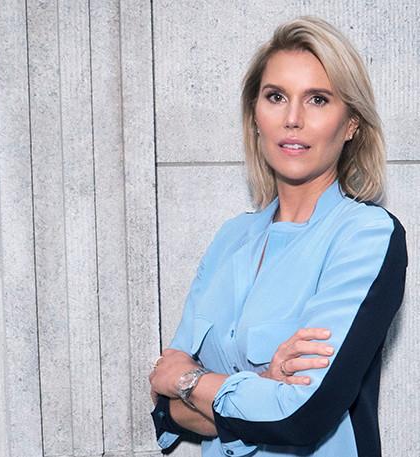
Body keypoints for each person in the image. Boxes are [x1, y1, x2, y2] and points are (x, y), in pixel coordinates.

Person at [148, 16, 407, 457]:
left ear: (351, 124)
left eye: (318, 99)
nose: (292, 119)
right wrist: (261, 386)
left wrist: (190, 381)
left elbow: (301, 416)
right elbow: (165, 407)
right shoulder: (230, 238)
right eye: (276, 97)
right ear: (255, 115)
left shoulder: (365, 235)